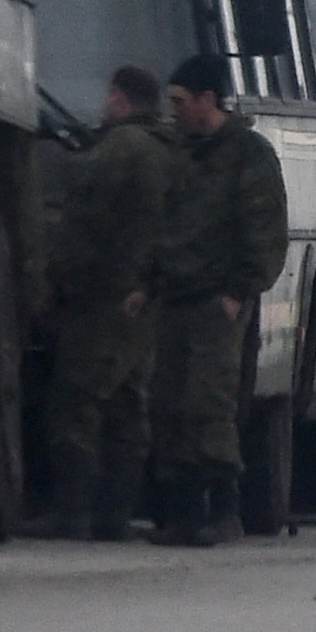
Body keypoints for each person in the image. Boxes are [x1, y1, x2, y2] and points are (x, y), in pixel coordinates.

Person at [145, 50, 293, 547]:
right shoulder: (181, 154)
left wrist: (237, 292)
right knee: (168, 402)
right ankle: (184, 512)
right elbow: (162, 227)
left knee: (209, 403)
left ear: (208, 100)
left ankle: (225, 508)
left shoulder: (248, 155)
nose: (174, 111)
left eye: (181, 101)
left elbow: (265, 231)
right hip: (175, 297)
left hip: (217, 300)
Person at [39, 67, 176, 540]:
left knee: (75, 402)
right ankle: (115, 514)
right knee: (127, 405)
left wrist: (57, 281)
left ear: (118, 100)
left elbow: (84, 223)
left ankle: (73, 511)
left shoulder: (119, 149)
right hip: (147, 298)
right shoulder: (171, 150)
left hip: (104, 297)